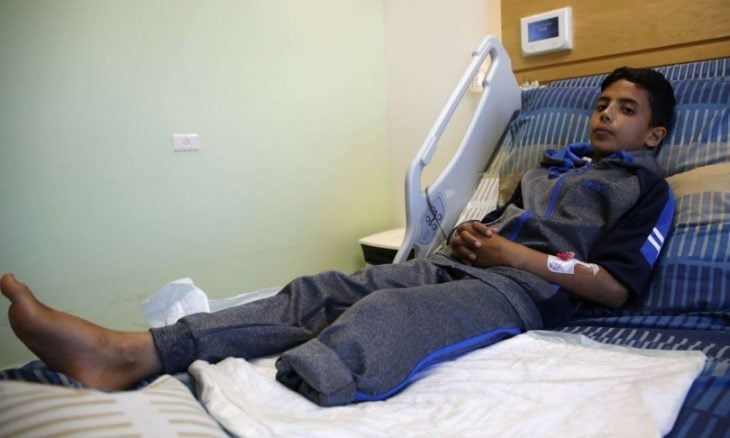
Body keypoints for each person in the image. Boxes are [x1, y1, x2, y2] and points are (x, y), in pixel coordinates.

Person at [2, 66, 676, 406]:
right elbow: (502, 224)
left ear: (654, 134)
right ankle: (133, 351)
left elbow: (615, 287)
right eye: (601, 103)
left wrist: (512, 256)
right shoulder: (548, 167)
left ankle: (260, 405)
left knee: (386, 315)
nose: (604, 115)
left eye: (625, 109)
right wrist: (476, 233)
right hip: (459, 263)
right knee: (318, 290)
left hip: (520, 293)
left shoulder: (646, 188)